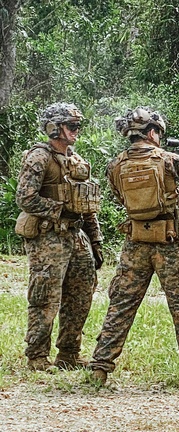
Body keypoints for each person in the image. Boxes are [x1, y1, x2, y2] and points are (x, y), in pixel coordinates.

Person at [89, 107, 179, 388]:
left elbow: (121, 198)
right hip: (167, 242)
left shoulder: (115, 164)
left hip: (135, 242)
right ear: (153, 132)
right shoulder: (170, 160)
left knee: (121, 305)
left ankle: (100, 368)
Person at [15, 103, 103, 371]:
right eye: (71, 126)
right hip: (48, 236)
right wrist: (58, 209)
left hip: (75, 236)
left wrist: (95, 240)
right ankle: (37, 356)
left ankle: (69, 352)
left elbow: (85, 202)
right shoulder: (39, 158)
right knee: (45, 296)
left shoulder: (74, 159)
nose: (76, 131)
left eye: (78, 126)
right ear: (55, 128)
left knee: (80, 295)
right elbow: (25, 198)